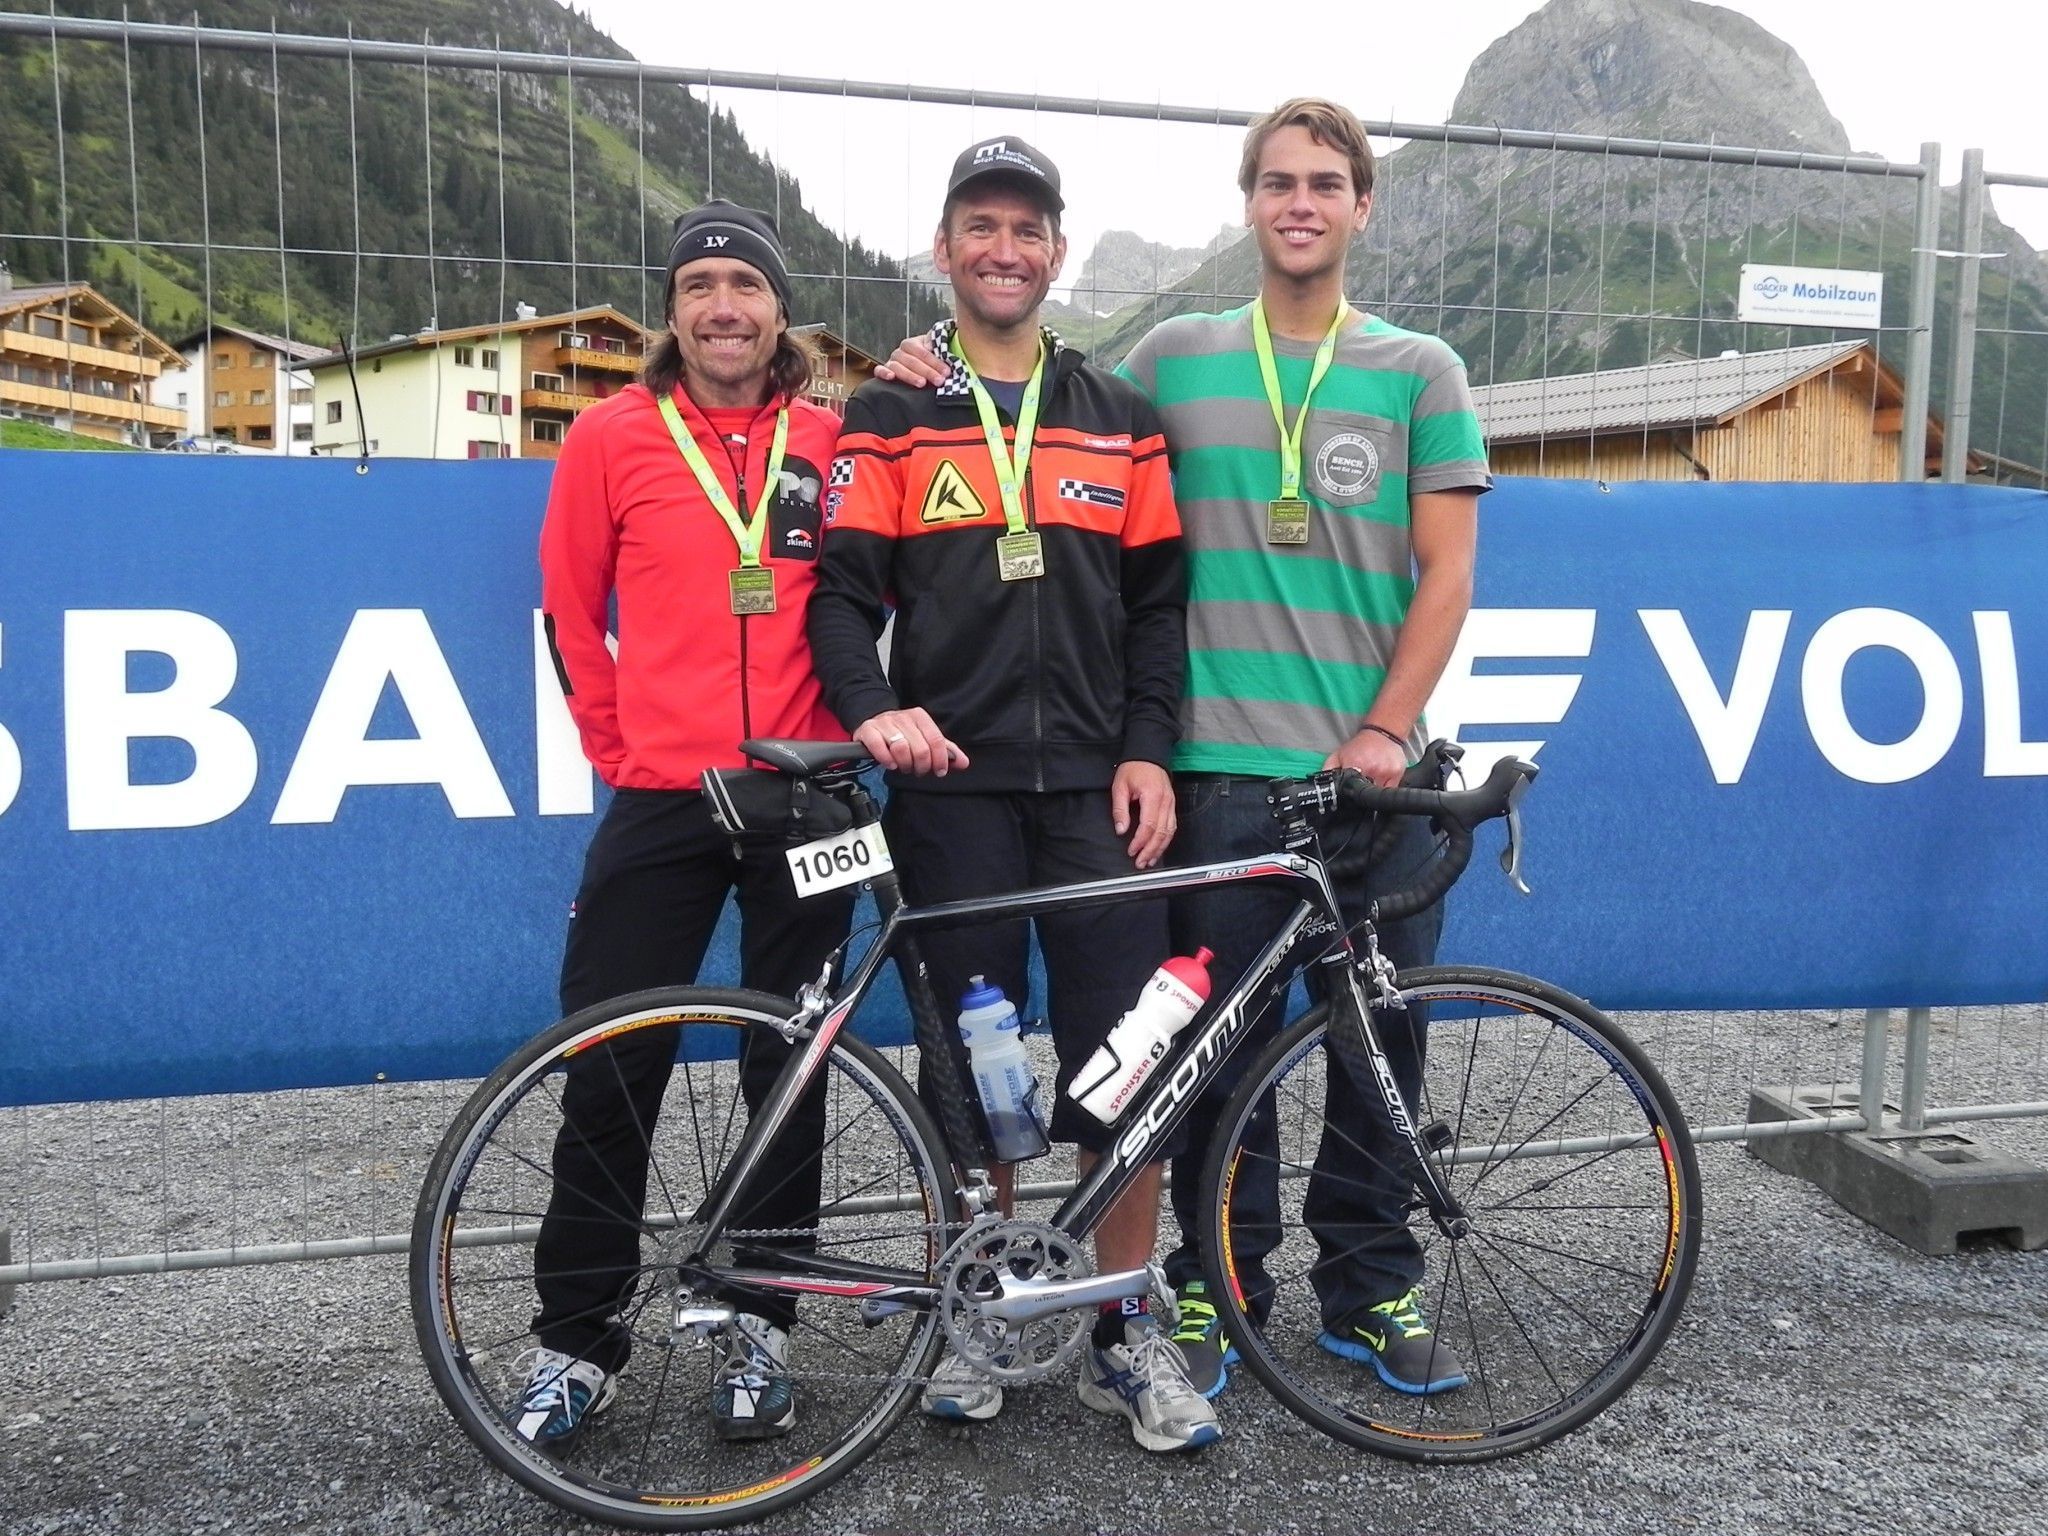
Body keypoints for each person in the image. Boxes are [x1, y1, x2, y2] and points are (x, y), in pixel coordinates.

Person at [876, 99, 1491, 1402]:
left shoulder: (1421, 370)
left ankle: (1372, 1283)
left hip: (1379, 776)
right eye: (1277, 182)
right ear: (1250, 203)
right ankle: (1215, 1287)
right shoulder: (1172, 357)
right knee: (1210, 1072)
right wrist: (925, 357)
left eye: (1327, 182)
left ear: (1361, 206)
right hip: (1216, 778)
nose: (1301, 202)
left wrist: (1386, 728)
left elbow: (1448, 576)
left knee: (1380, 1051)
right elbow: (1032, 381)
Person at [807, 136, 1217, 1453]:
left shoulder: (1117, 412)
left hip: (1100, 792)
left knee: (1128, 1070)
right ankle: (974, 1309)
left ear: (1056, 249)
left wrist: (1148, 747)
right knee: (966, 1072)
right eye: (980, 224)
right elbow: (837, 597)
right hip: (954, 797)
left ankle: (1121, 1327)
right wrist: (876, 713)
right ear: (944, 246)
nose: (1004, 247)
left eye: (1027, 228)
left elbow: (1160, 610)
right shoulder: (894, 412)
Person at [525, 200, 853, 1445]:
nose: (724, 305)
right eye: (700, 284)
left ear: (781, 309)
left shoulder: (831, 435)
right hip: (664, 798)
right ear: (671, 310)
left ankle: (762, 1323)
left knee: (795, 1065)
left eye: (746, 285)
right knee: (610, 1066)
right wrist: (627, 754)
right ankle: (574, 1342)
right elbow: (568, 612)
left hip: (806, 793)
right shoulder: (613, 434)